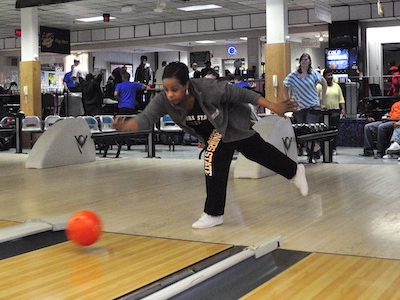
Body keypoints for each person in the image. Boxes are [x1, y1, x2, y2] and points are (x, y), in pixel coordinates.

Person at [113, 62, 308, 229]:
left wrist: (274, 107)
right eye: (167, 89)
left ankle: (213, 214)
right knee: (256, 152)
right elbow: (146, 118)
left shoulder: (208, 88)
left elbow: (243, 94)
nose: (170, 94)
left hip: (232, 122)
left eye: (175, 89)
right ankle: (294, 171)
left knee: (216, 158)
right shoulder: (164, 100)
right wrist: (126, 126)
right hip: (212, 132)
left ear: (186, 85)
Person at [284, 53, 327, 160]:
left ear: (309, 62)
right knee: (302, 130)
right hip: (298, 107)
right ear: (300, 62)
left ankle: (314, 151)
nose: (304, 61)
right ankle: (313, 150)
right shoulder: (293, 75)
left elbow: (324, 83)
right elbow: (285, 86)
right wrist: (289, 100)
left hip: (313, 105)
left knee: (311, 129)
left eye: (306, 59)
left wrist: (322, 99)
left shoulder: (313, 74)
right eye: (302, 59)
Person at [317, 68, 346, 154]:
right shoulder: (319, 86)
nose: (330, 77)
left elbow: (341, 98)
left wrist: (343, 109)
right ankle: (323, 149)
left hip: (335, 112)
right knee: (324, 132)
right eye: (328, 75)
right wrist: (320, 105)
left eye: (331, 75)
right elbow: (315, 99)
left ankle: (333, 148)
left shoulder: (337, 86)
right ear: (324, 77)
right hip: (324, 113)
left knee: (334, 131)